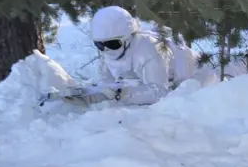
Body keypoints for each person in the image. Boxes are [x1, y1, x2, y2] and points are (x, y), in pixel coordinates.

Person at [57, 6, 204, 106]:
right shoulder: (107, 52)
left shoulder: (148, 49)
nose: (106, 50)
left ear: (128, 38)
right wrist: (90, 97)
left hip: (198, 79)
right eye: (100, 45)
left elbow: (160, 92)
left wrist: (121, 94)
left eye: (113, 44)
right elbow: (109, 87)